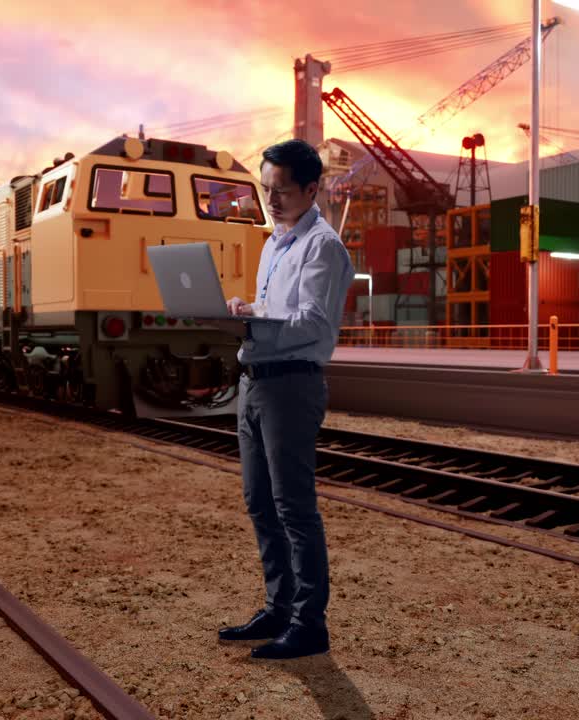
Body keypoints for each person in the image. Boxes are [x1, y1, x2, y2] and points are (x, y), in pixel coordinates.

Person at [213, 139, 353, 660]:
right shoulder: (275, 243)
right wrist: (246, 309)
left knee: (294, 507)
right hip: (256, 381)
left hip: (292, 384)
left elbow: (312, 323)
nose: (271, 200)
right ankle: (279, 607)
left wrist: (254, 320)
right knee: (260, 501)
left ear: (312, 190)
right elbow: (277, 310)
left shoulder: (322, 246)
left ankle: (309, 624)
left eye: (282, 191)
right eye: (266, 189)